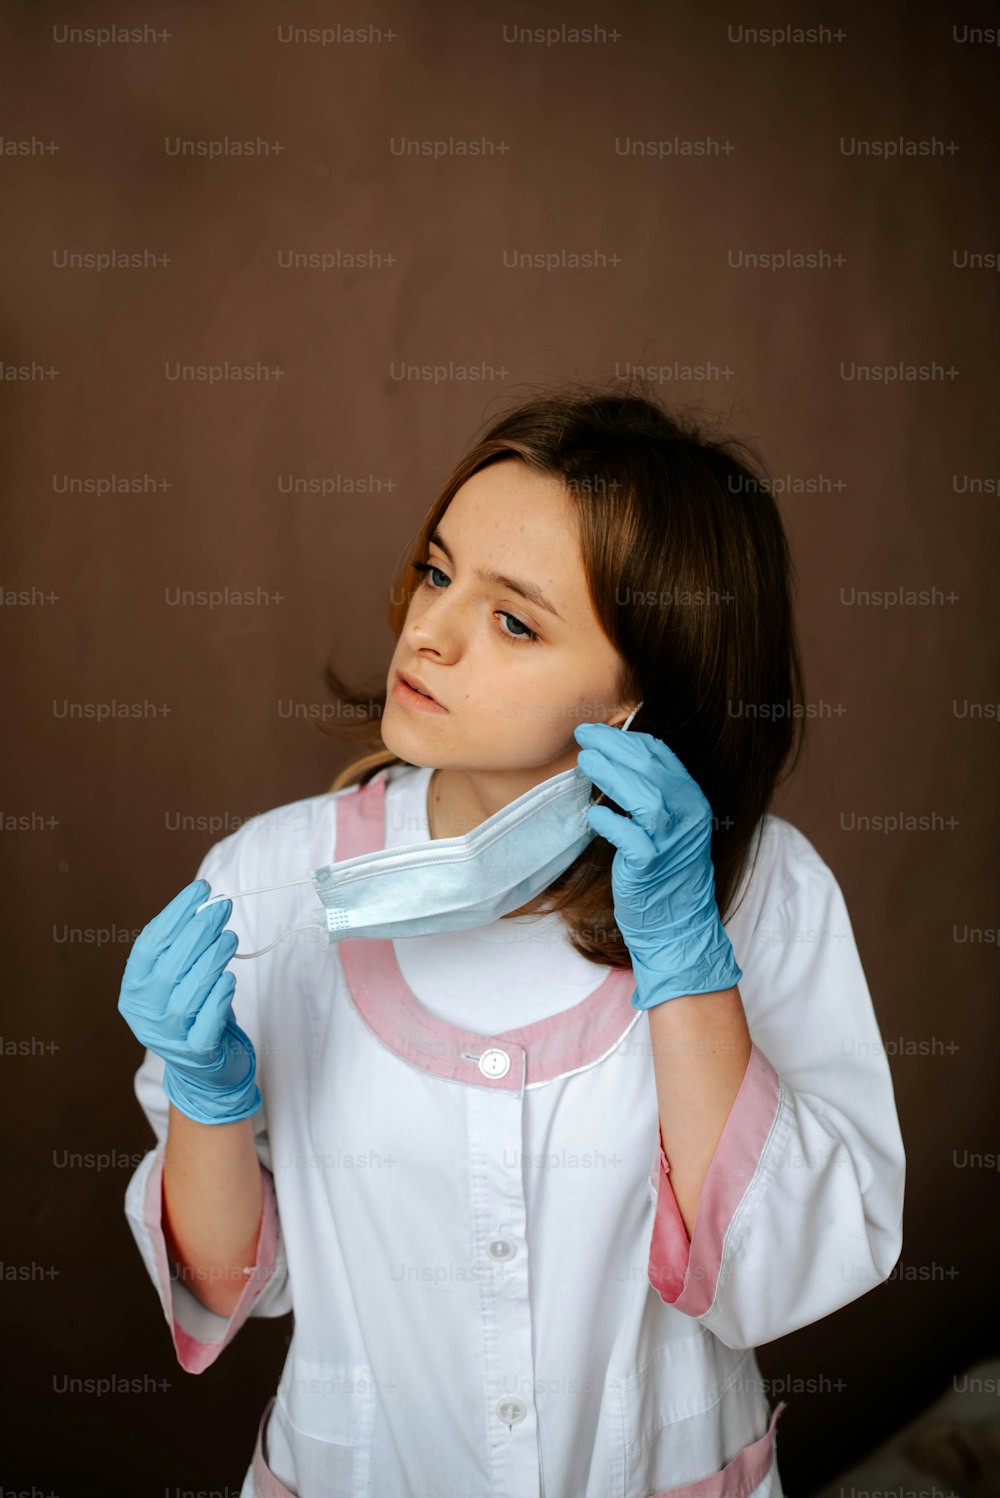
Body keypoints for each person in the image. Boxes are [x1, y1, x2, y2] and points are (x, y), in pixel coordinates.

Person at [119, 380, 906, 1498]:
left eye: (513, 619)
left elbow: (779, 1275)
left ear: (639, 692)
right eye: (438, 571)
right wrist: (207, 1097)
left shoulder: (754, 889)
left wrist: (687, 964)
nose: (426, 631)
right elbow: (229, 1281)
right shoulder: (268, 885)